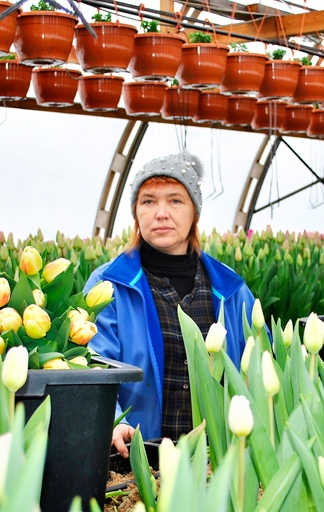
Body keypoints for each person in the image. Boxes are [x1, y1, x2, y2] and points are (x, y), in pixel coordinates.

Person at [84, 152, 256, 457]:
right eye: (148, 201)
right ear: (136, 213)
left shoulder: (230, 289)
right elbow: (90, 365)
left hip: (219, 460)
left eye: (175, 200)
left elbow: (256, 367)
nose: (161, 213)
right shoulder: (110, 285)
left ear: (195, 212)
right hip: (139, 463)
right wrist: (112, 421)